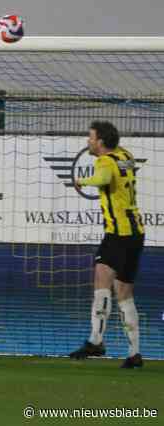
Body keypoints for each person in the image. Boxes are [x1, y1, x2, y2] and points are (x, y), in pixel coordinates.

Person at [69, 121, 144, 369]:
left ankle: (96, 341)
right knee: (124, 292)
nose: (88, 142)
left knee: (101, 281)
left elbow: (104, 176)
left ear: (101, 142)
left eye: (90, 138)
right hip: (136, 233)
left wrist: (84, 181)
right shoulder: (126, 155)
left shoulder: (105, 161)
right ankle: (134, 353)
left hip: (118, 234)